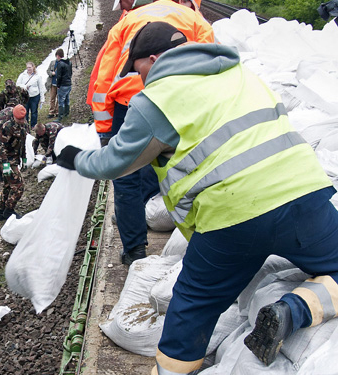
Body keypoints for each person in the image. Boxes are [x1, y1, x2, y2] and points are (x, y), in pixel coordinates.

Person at [57, 22, 338, 374]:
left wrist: (75, 158)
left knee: (193, 308)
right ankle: (295, 309)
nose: (137, 77)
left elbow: (117, 162)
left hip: (233, 214)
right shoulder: (240, 73)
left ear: (155, 58)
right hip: (302, 194)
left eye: (137, 68)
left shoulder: (156, 99)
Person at [89, 0, 214, 266]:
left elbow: (103, 77)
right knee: (182, 166)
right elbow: (210, 62)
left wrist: (105, 130)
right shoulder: (194, 19)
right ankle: (198, 241)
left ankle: (134, 248)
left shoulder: (127, 20)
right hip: (178, 97)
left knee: (125, 174)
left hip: (128, 99)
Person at [0, 105, 28, 221]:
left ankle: (2, 211)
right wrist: (5, 164)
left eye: (23, 119)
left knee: (8, 186)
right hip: (6, 160)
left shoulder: (24, 126)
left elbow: (23, 144)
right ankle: (9, 210)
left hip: (15, 159)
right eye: (19, 119)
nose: (21, 121)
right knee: (19, 186)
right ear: (14, 117)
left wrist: (24, 159)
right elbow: (1, 147)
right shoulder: (7, 127)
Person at [16, 61, 45, 129]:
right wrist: (24, 86)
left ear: (33, 67)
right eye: (27, 67)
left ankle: (33, 125)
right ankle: (25, 124)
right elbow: (18, 84)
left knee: (34, 111)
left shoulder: (37, 76)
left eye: (30, 67)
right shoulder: (22, 75)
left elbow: (41, 87)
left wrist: (42, 98)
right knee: (25, 111)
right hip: (25, 96)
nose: (28, 69)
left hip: (35, 96)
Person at [55, 49, 72, 122]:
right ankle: (66, 113)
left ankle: (60, 116)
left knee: (61, 100)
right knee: (67, 99)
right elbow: (71, 73)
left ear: (58, 56)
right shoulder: (69, 62)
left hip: (62, 84)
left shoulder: (60, 64)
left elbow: (59, 76)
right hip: (68, 84)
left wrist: (58, 85)